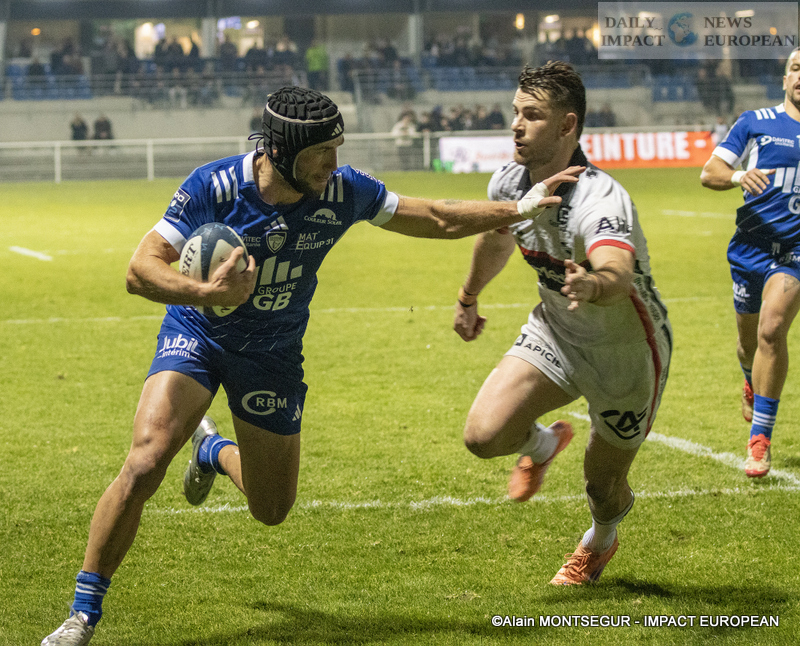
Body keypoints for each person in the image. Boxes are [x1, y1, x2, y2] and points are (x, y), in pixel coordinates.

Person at [42, 86, 583, 645]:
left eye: (336, 148)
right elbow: (140, 269)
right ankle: (81, 616)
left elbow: (435, 217)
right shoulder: (214, 186)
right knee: (145, 461)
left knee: (271, 508)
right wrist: (205, 292)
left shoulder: (344, 190)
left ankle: (211, 450)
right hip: (199, 334)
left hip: (272, 354)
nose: (333, 162)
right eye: (321, 152)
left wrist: (518, 208)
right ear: (280, 152)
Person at [453, 62, 671, 585]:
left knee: (602, 487)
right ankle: (543, 445)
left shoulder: (600, 197)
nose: (516, 125)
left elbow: (617, 269)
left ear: (567, 125)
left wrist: (593, 284)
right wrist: (468, 296)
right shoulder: (509, 180)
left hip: (625, 353)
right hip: (555, 332)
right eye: (515, 112)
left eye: (532, 115)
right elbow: (497, 239)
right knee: (483, 436)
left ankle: (600, 538)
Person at [699, 47, 800, 478]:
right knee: (748, 344)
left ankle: (760, 441)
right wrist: (740, 175)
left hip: (794, 252)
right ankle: (749, 377)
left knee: (772, 330)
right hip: (750, 249)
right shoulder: (755, 122)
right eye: (796, 68)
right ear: (785, 79)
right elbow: (710, 173)